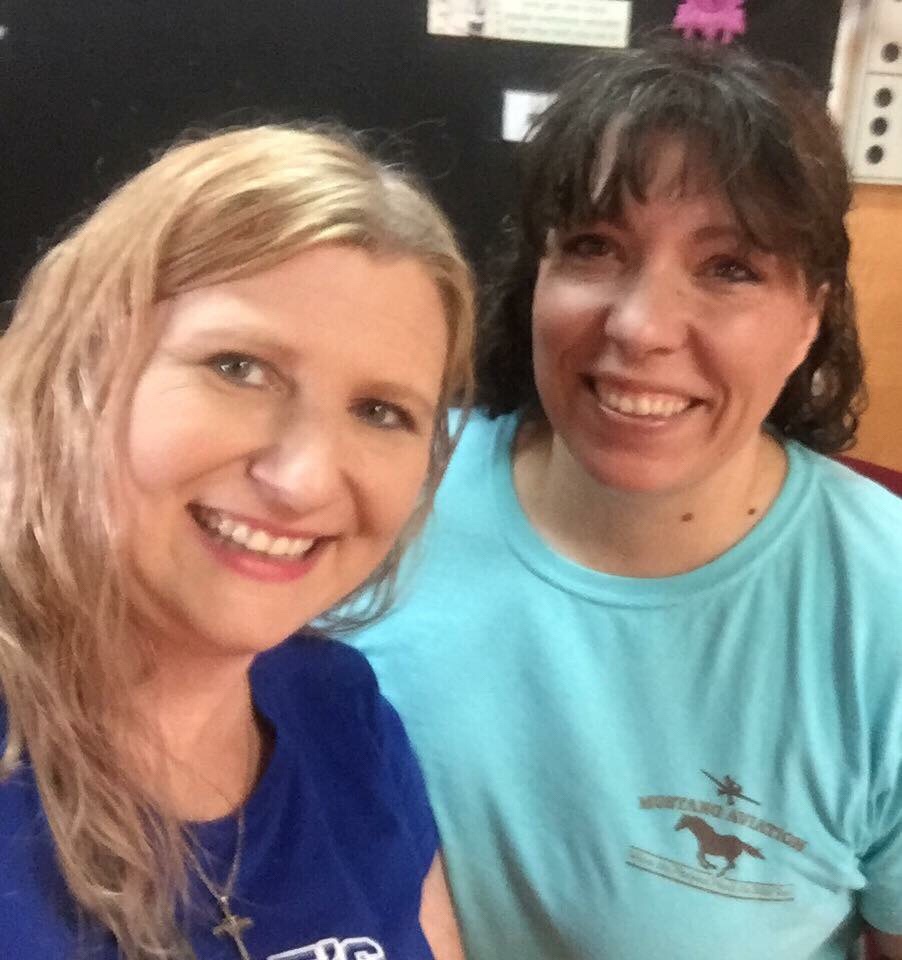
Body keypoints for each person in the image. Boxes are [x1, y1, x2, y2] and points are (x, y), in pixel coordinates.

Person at [348, 41, 902, 959]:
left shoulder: (882, 605)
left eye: (730, 267)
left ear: (811, 317)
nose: (641, 326)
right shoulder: (374, 491)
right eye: (595, 248)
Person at [0, 125, 474, 960]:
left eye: (380, 412)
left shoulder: (342, 714)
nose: (305, 479)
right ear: (81, 367)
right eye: (238, 368)